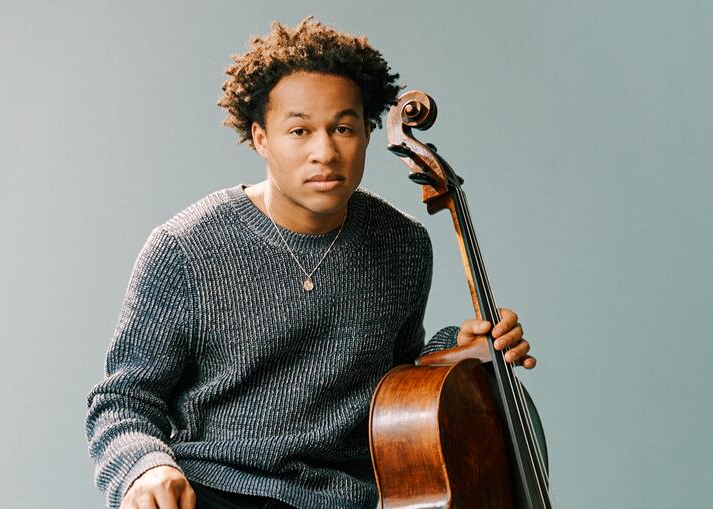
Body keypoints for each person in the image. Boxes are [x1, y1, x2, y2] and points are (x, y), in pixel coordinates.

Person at [85, 17, 535, 509]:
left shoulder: (403, 245)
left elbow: (396, 384)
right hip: (222, 490)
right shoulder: (186, 248)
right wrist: (145, 468)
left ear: (366, 133)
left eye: (343, 128)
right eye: (299, 130)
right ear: (261, 138)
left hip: (357, 500)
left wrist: (457, 353)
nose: (325, 152)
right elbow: (123, 401)